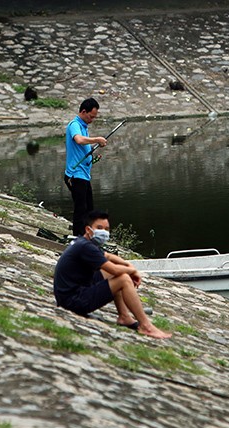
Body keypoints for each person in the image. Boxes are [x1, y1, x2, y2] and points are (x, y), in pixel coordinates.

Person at [54, 210, 172, 339]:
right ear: (88, 229)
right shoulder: (86, 247)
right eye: (99, 228)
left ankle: (125, 317)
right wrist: (133, 271)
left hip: (69, 295)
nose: (104, 232)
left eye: (106, 229)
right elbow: (115, 270)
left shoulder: (83, 242)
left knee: (111, 272)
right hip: (73, 301)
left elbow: (108, 256)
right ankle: (146, 326)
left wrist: (129, 266)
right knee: (123, 279)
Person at [64, 97, 107, 237]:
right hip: (75, 175)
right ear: (83, 111)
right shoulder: (74, 124)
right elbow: (79, 140)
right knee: (80, 209)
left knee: (89, 209)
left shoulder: (84, 127)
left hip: (83, 175)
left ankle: (87, 236)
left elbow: (82, 149)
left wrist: (92, 159)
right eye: (91, 116)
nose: (92, 119)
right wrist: (97, 139)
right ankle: (78, 237)